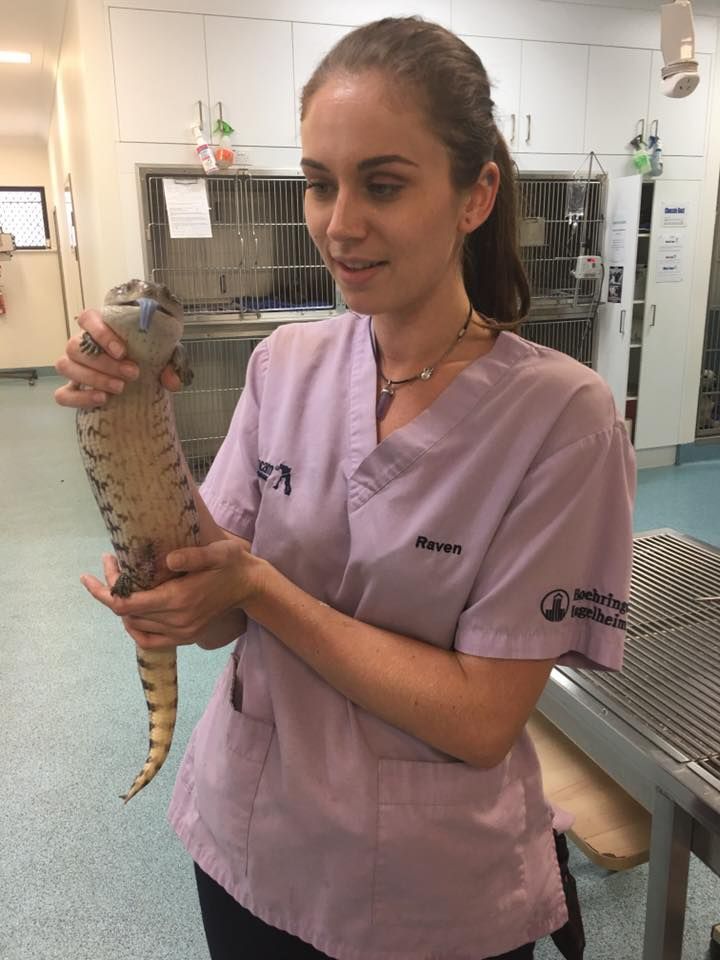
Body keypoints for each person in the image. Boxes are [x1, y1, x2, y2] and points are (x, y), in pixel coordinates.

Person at [54, 16, 636, 960]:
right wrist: (129, 417)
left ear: (475, 194)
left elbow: (481, 719)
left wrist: (255, 584)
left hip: (425, 894)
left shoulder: (563, 419)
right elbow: (214, 620)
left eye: (384, 183)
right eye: (320, 183)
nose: (338, 223)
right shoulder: (287, 362)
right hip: (249, 844)